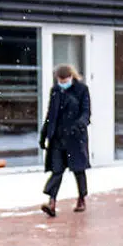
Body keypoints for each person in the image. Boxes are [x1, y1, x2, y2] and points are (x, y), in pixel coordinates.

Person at [39, 63, 92, 218]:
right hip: (57, 137)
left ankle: (81, 198)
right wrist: (44, 135)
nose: (62, 83)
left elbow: (86, 112)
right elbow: (50, 115)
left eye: (65, 80)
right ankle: (52, 202)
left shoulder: (82, 89)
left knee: (78, 169)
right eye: (60, 81)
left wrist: (79, 124)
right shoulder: (55, 91)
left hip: (75, 137)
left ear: (71, 77)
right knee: (57, 170)